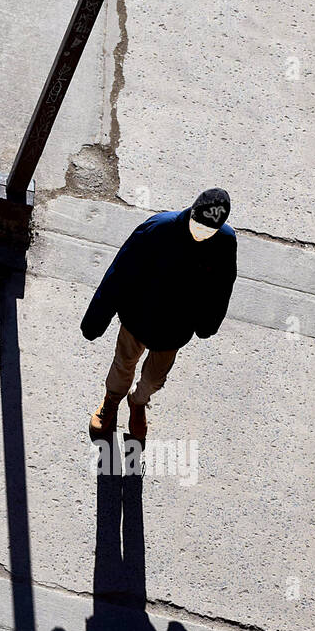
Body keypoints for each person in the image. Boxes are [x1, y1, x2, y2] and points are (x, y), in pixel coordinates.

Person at [81, 188, 237, 441]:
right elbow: (120, 272)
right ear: (192, 212)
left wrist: (209, 323)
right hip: (137, 318)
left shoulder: (225, 241)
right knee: (123, 364)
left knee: (154, 379)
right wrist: (96, 319)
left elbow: (222, 286)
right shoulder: (158, 228)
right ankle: (112, 399)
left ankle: (138, 403)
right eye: (199, 226)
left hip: (175, 331)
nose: (201, 235)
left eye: (209, 231)